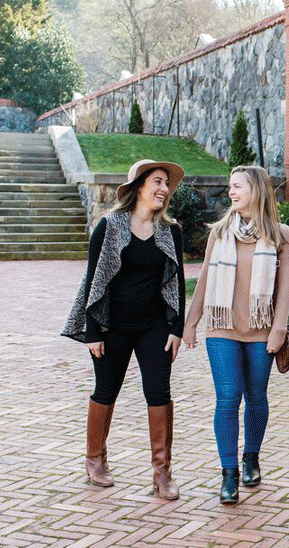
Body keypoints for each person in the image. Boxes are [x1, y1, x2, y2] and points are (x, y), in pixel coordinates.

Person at [62, 159, 187, 500]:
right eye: (157, 182)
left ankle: (162, 474)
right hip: (112, 326)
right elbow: (93, 279)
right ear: (139, 187)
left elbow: (177, 282)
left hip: (154, 327)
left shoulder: (170, 231)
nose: (163, 189)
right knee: (106, 390)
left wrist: (177, 328)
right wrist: (93, 332)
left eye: (166, 184)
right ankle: (95, 459)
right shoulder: (110, 225)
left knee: (159, 393)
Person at [183, 165, 289, 506]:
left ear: (256, 191)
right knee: (229, 397)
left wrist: (278, 330)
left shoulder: (281, 235)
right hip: (222, 327)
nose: (231, 193)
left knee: (256, 396)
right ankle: (229, 475)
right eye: (230, 187)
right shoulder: (219, 233)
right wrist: (191, 322)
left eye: (238, 187)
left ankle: (251, 458)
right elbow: (203, 279)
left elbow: (284, 290)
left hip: (261, 331)